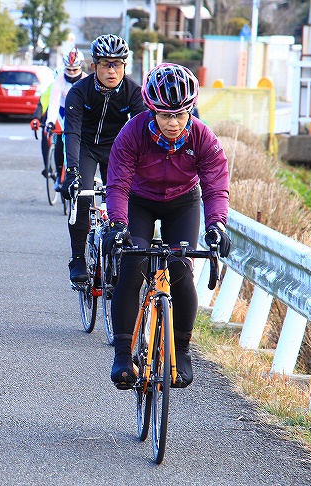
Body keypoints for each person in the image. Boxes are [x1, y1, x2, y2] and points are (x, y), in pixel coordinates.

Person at [101, 63, 232, 390]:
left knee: (180, 268)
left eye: (181, 115)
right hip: (139, 200)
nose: (173, 123)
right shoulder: (132, 133)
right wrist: (117, 223)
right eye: (164, 115)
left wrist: (217, 225)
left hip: (182, 203)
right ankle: (122, 354)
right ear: (152, 110)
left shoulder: (203, 137)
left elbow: (216, 186)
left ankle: (182, 351)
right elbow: (117, 184)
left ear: (191, 110)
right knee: (133, 263)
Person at [60, 34, 147, 282]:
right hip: (86, 146)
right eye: (106, 64)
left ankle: (117, 255)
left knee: (121, 200)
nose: (112, 70)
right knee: (83, 197)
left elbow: (142, 132)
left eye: (117, 64)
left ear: (124, 66)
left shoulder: (133, 92)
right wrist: (72, 172)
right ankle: (77, 259)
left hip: (116, 149)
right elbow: (72, 132)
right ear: (93, 66)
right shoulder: (79, 91)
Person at [31, 48, 87, 180]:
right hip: (62, 110)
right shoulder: (59, 80)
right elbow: (53, 102)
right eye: (68, 69)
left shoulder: (86, 79)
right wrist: (49, 121)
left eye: (75, 70)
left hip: (79, 111)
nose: (71, 73)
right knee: (59, 137)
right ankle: (55, 171)